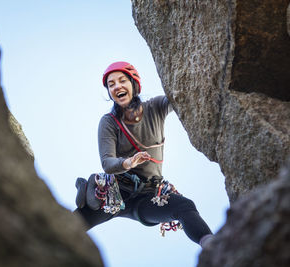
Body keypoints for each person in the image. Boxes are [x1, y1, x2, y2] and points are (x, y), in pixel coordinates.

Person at [74, 61, 213, 248]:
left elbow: (179, 96)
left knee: (185, 207)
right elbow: (107, 162)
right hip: (115, 192)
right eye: (111, 84)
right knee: (74, 225)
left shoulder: (155, 107)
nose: (117, 87)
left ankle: (213, 246)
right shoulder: (109, 122)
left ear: (134, 84)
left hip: (150, 195)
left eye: (122, 80)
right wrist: (128, 162)